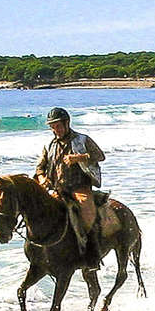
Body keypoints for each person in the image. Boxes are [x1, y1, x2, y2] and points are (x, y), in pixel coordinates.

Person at [34, 107, 108, 268]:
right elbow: (40, 167)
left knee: (88, 215)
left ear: (67, 123)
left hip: (80, 187)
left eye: (58, 126)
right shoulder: (49, 145)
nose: (55, 130)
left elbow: (100, 156)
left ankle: (92, 254)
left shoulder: (82, 139)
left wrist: (79, 157)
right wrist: (42, 178)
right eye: (52, 127)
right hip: (58, 189)